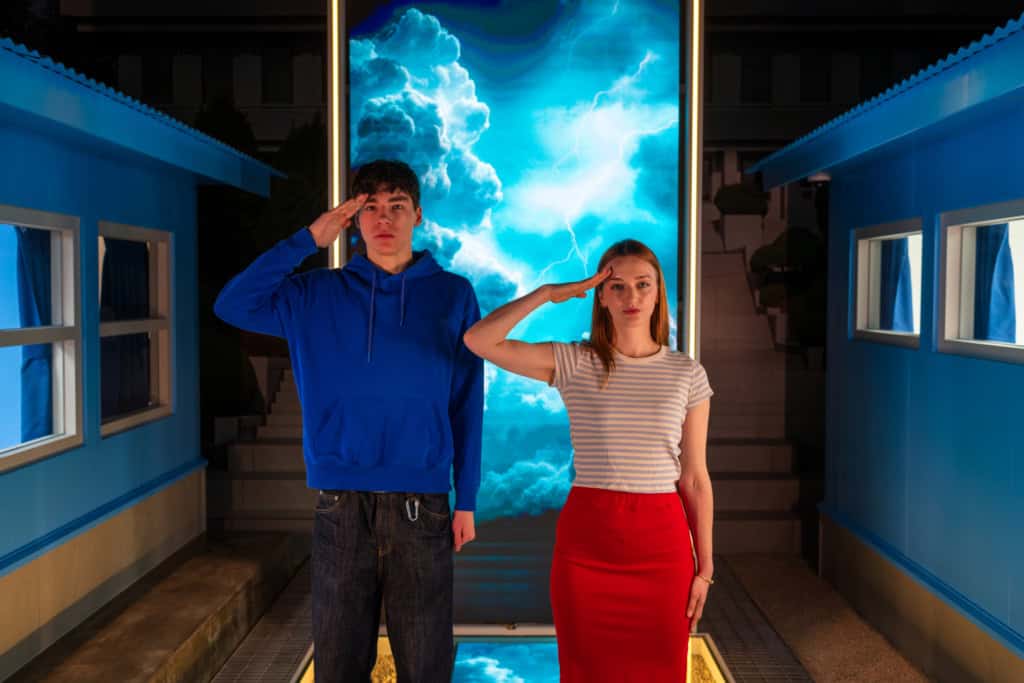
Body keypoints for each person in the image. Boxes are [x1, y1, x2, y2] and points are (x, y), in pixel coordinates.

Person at [214, 160, 483, 682]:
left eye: (397, 207)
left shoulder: (454, 295)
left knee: (426, 668)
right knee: (337, 669)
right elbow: (232, 304)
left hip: (422, 509)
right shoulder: (312, 295)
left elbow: (467, 401)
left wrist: (465, 497)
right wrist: (307, 239)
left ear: (418, 215)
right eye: (371, 209)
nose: (385, 219)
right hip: (340, 512)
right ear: (353, 221)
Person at [463, 239, 713, 681]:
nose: (631, 297)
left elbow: (694, 478)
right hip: (588, 550)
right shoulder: (575, 361)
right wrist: (548, 294)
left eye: (643, 285)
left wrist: (705, 567)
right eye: (617, 287)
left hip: (663, 551)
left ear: (658, 293)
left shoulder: (687, 373)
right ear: (601, 294)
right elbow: (479, 340)